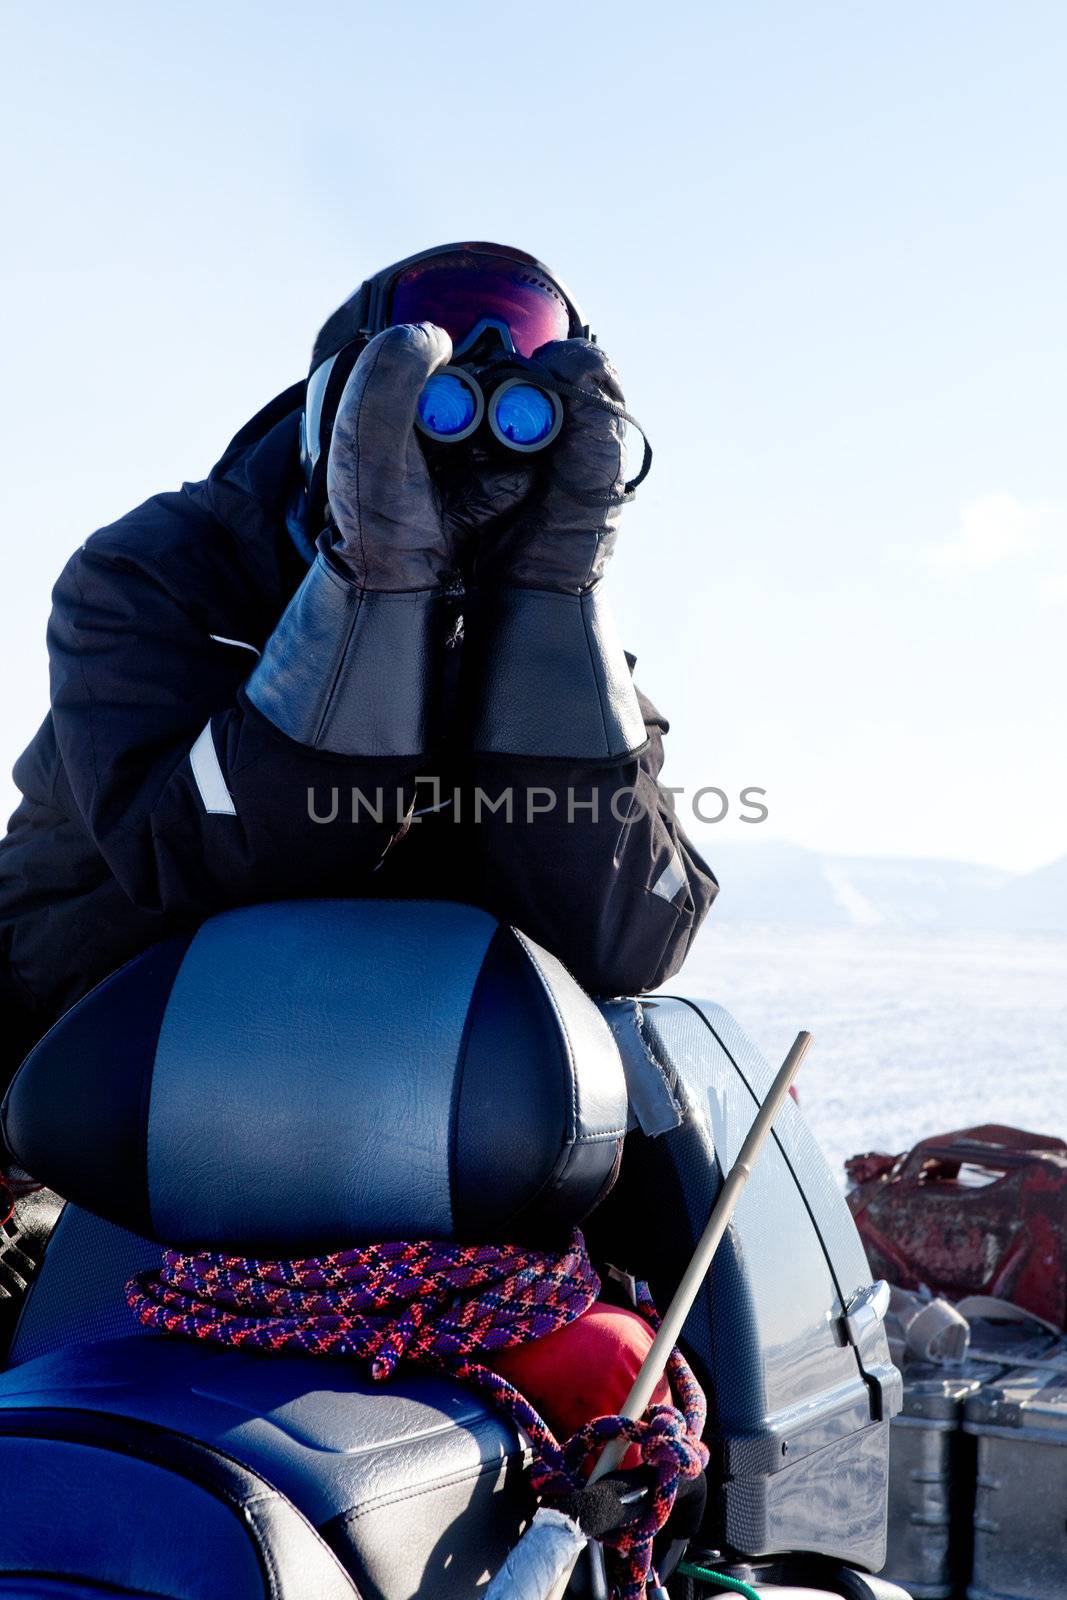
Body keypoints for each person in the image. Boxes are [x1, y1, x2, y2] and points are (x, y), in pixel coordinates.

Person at [0, 242, 716, 1092]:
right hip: (96, 1052)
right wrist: (375, 587)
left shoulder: (548, 639)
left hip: (393, 1082)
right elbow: (190, 862)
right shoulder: (158, 575)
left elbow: (635, 934)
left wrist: (551, 595)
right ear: (338, 404)